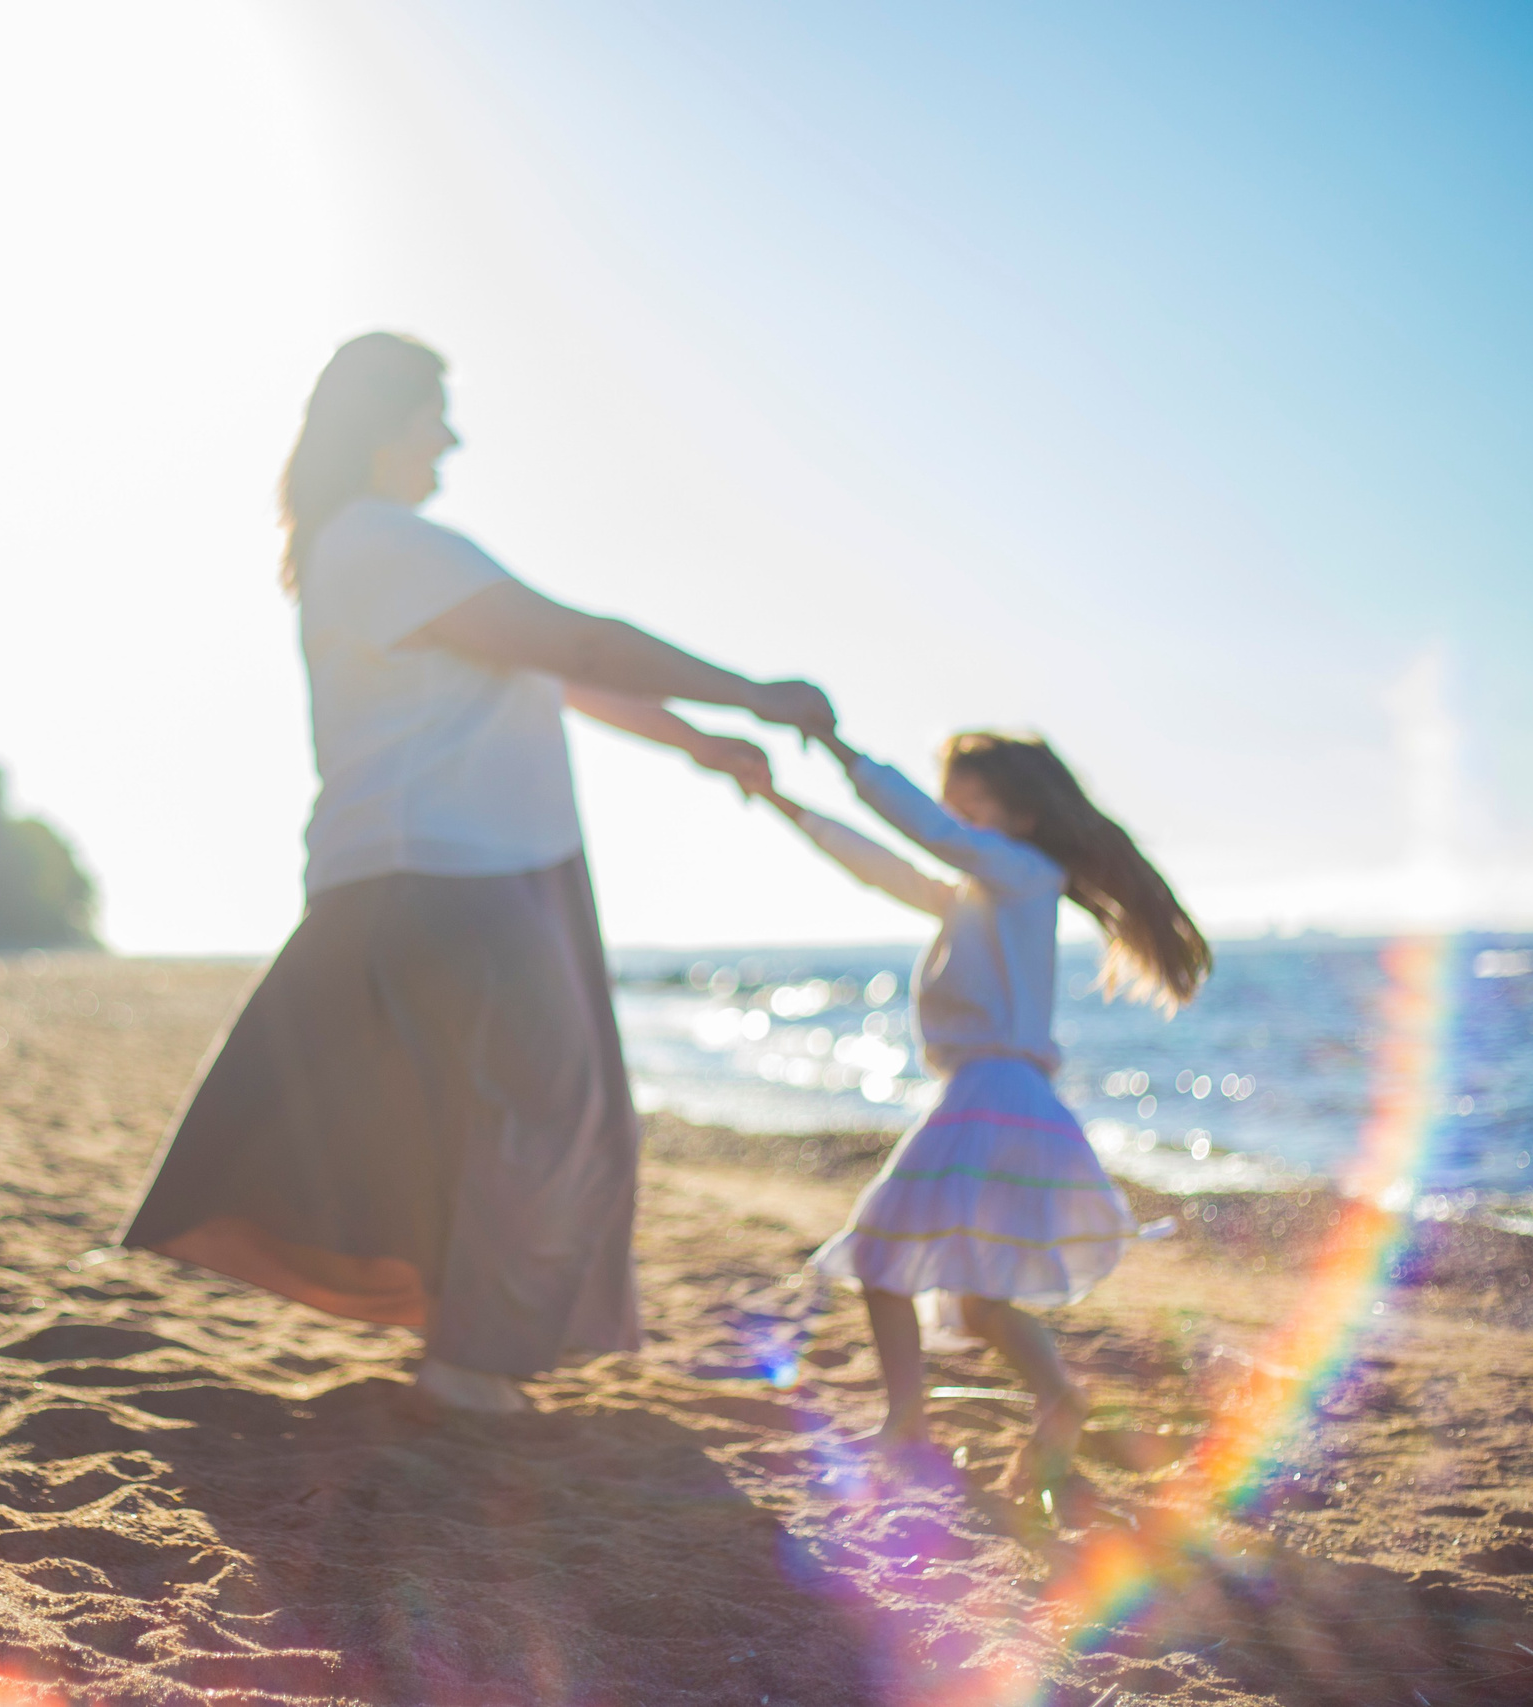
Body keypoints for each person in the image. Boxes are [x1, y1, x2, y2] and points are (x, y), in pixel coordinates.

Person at [121, 331, 835, 1413]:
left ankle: (466, 1350)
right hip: (453, 869)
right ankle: (469, 1367)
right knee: (544, 1112)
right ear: (382, 422)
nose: (450, 440)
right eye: (433, 415)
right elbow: (579, 645)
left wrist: (701, 743)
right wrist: (754, 693)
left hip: (431, 865)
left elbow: (556, 671)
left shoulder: (363, 548)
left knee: (470, 1113)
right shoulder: (383, 541)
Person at [761, 730, 1209, 1494]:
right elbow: (885, 869)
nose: (953, 821)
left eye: (970, 807)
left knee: (881, 1255)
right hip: (1001, 1095)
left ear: (1025, 816)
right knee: (974, 1299)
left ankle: (910, 1422)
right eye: (952, 805)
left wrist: (845, 753)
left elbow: (927, 836)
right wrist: (783, 802)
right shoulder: (986, 891)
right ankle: (1055, 1397)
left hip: (992, 1092)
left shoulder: (1023, 873)